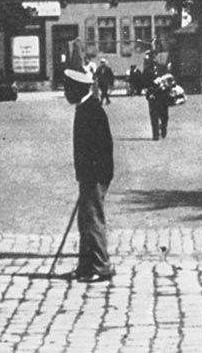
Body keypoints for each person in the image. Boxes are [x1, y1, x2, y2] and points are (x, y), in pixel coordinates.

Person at [62, 67, 114, 283]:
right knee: (85, 220)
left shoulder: (92, 110)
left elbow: (103, 146)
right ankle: (85, 266)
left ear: (78, 89)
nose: (66, 93)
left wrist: (91, 176)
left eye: (68, 89)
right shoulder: (83, 107)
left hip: (95, 175)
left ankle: (101, 267)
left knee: (93, 220)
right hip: (87, 175)